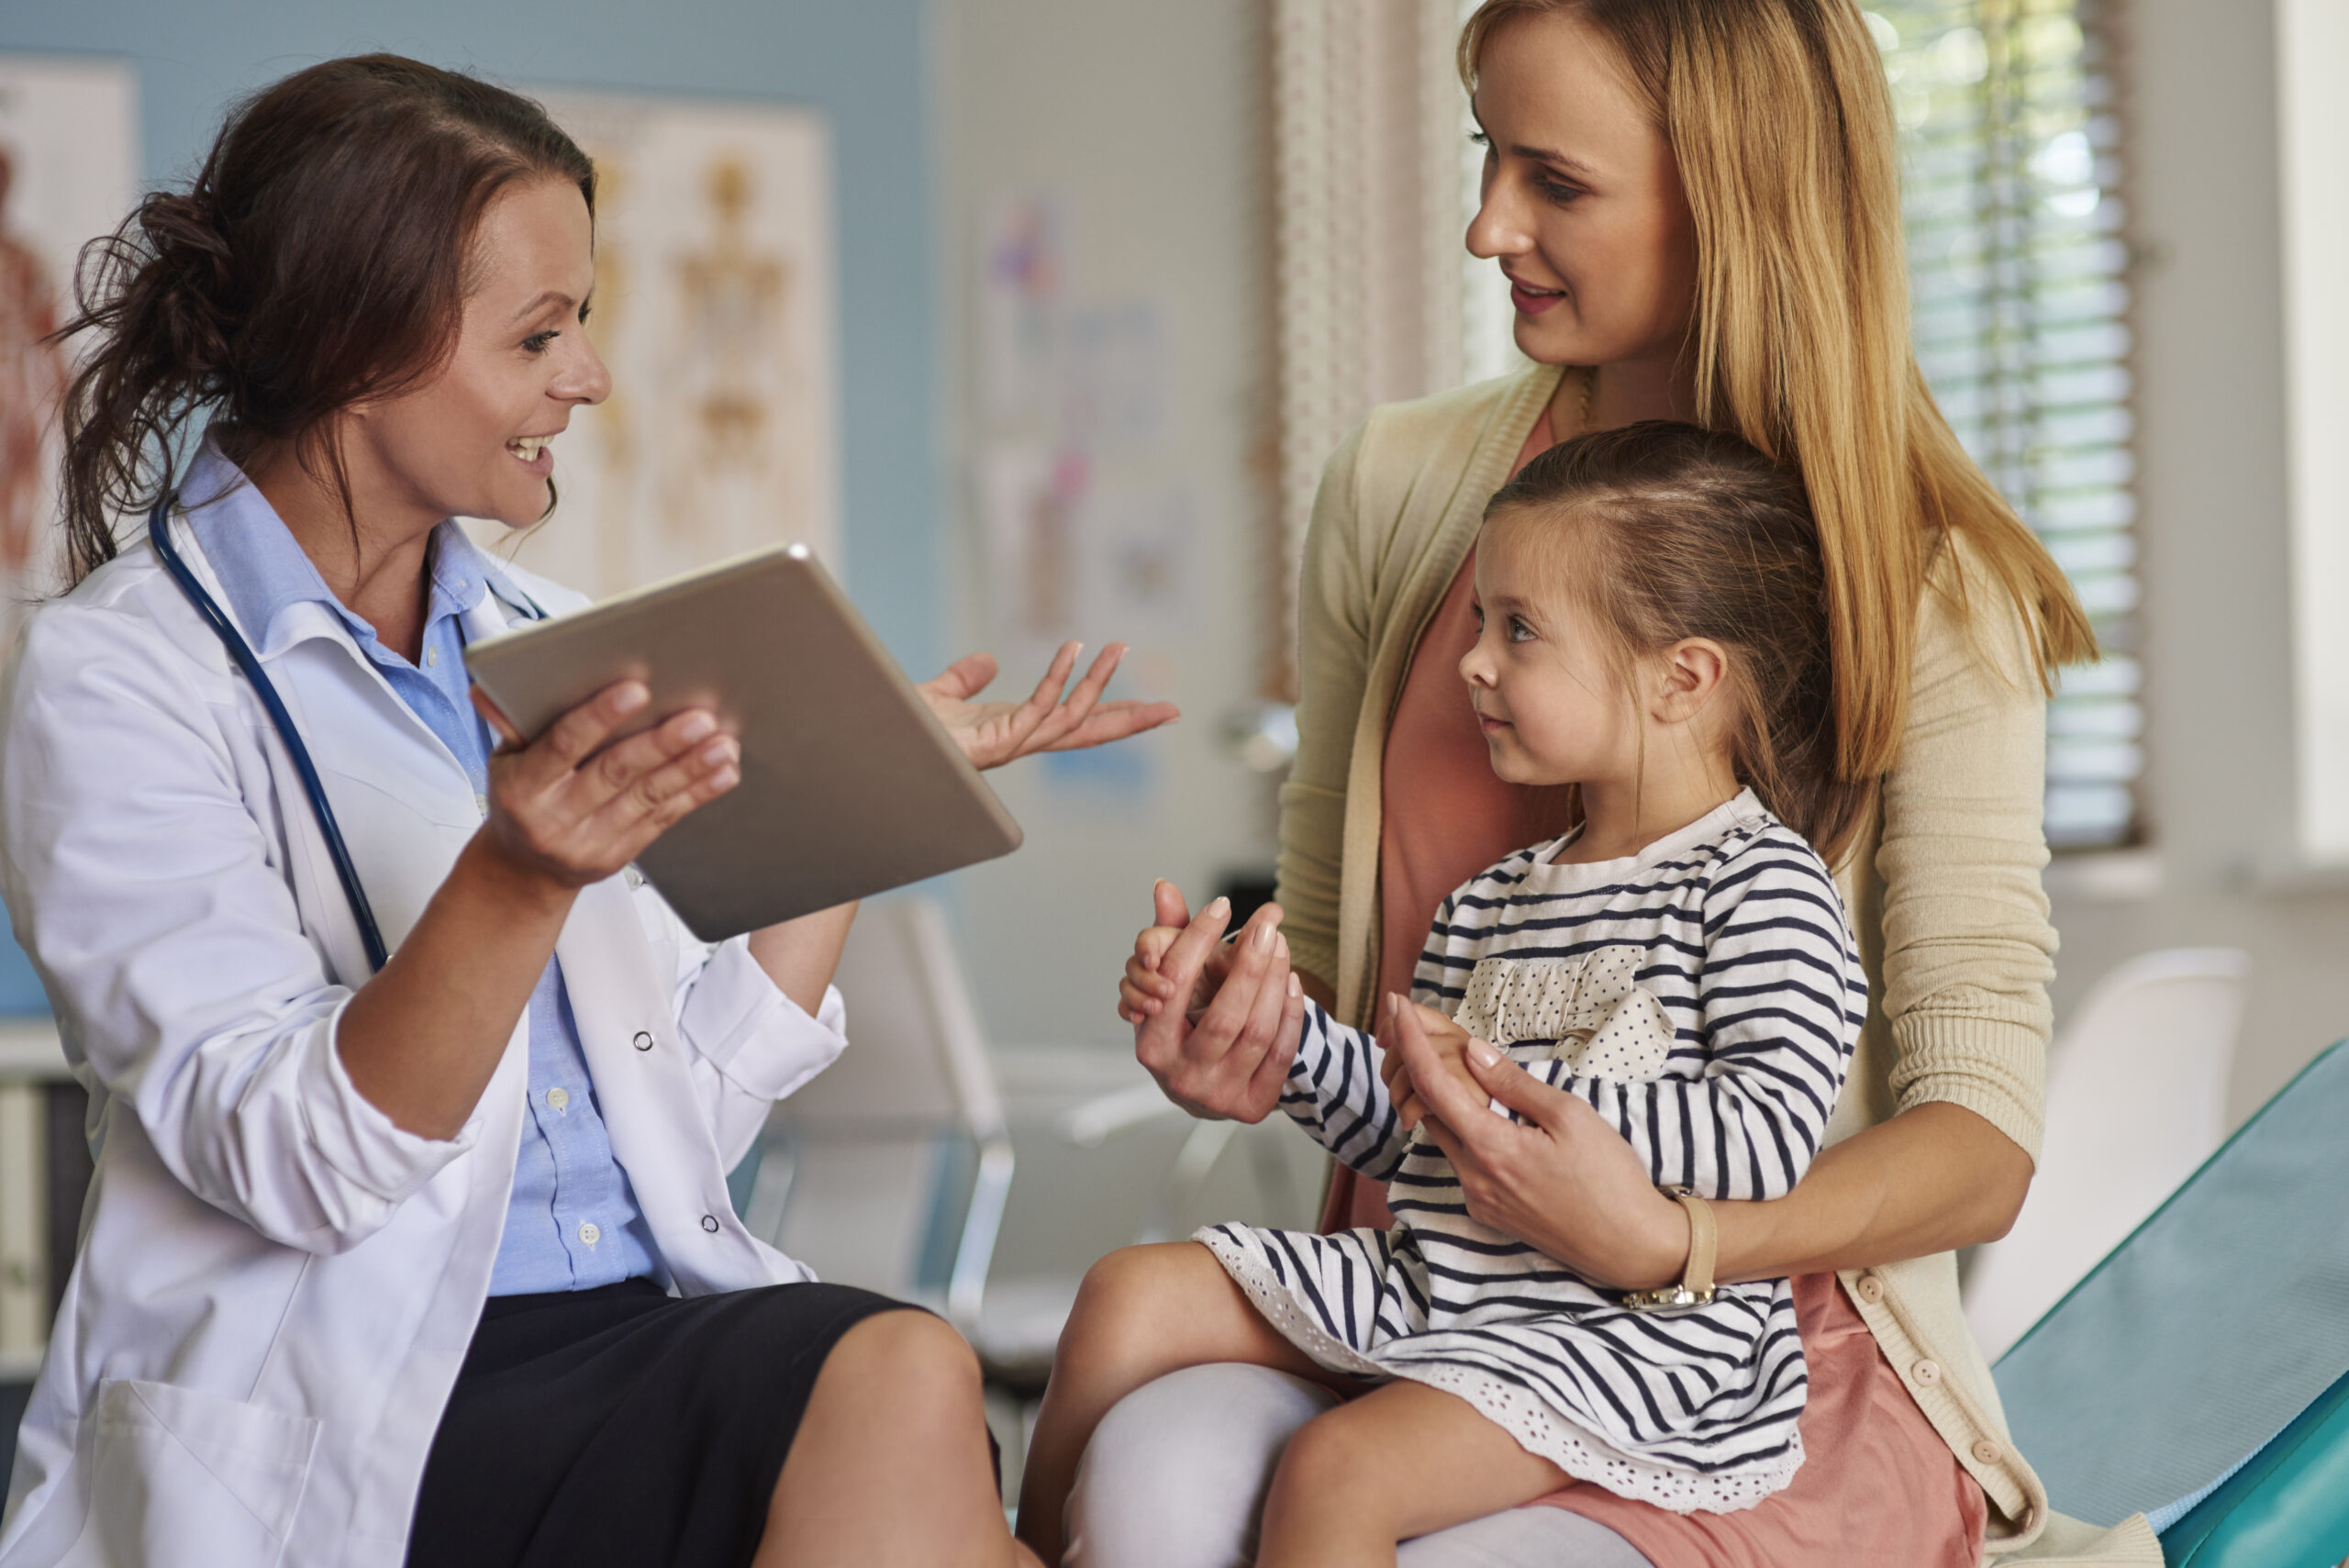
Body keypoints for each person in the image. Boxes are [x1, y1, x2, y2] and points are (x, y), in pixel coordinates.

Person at [0, 56, 1169, 1568]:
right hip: (362, 1394)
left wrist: (864, 787)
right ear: (361, 343)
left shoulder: (558, 634)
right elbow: (297, 1162)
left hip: (634, 1328)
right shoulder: (117, 674)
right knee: (913, 1406)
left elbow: (689, 1118)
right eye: (541, 332)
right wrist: (517, 870)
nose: (592, 378)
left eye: (585, 324)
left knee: (898, 1378)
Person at [1063, 1, 2159, 1563]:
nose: (1485, 225)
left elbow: (1978, 1133)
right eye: (1483, 158)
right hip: (1433, 1304)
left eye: (1554, 183)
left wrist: (1678, 1233)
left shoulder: (1929, 581)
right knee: (1151, 1471)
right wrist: (1243, 1028)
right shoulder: (1398, 486)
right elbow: (1333, 966)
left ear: (1735, 194)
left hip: (1744, 1358)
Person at [1019, 425, 1868, 1565]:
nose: (1472, 660)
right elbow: (1406, 1134)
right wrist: (1271, 1030)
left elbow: (1764, 1138)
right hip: (1443, 1286)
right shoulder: (1493, 898)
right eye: (1479, 620)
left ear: (1684, 677)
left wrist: (1509, 1090)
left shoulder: (1760, 886)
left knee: (1341, 1466)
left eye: (1517, 629)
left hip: (1632, 1336)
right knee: (1130, 1291)